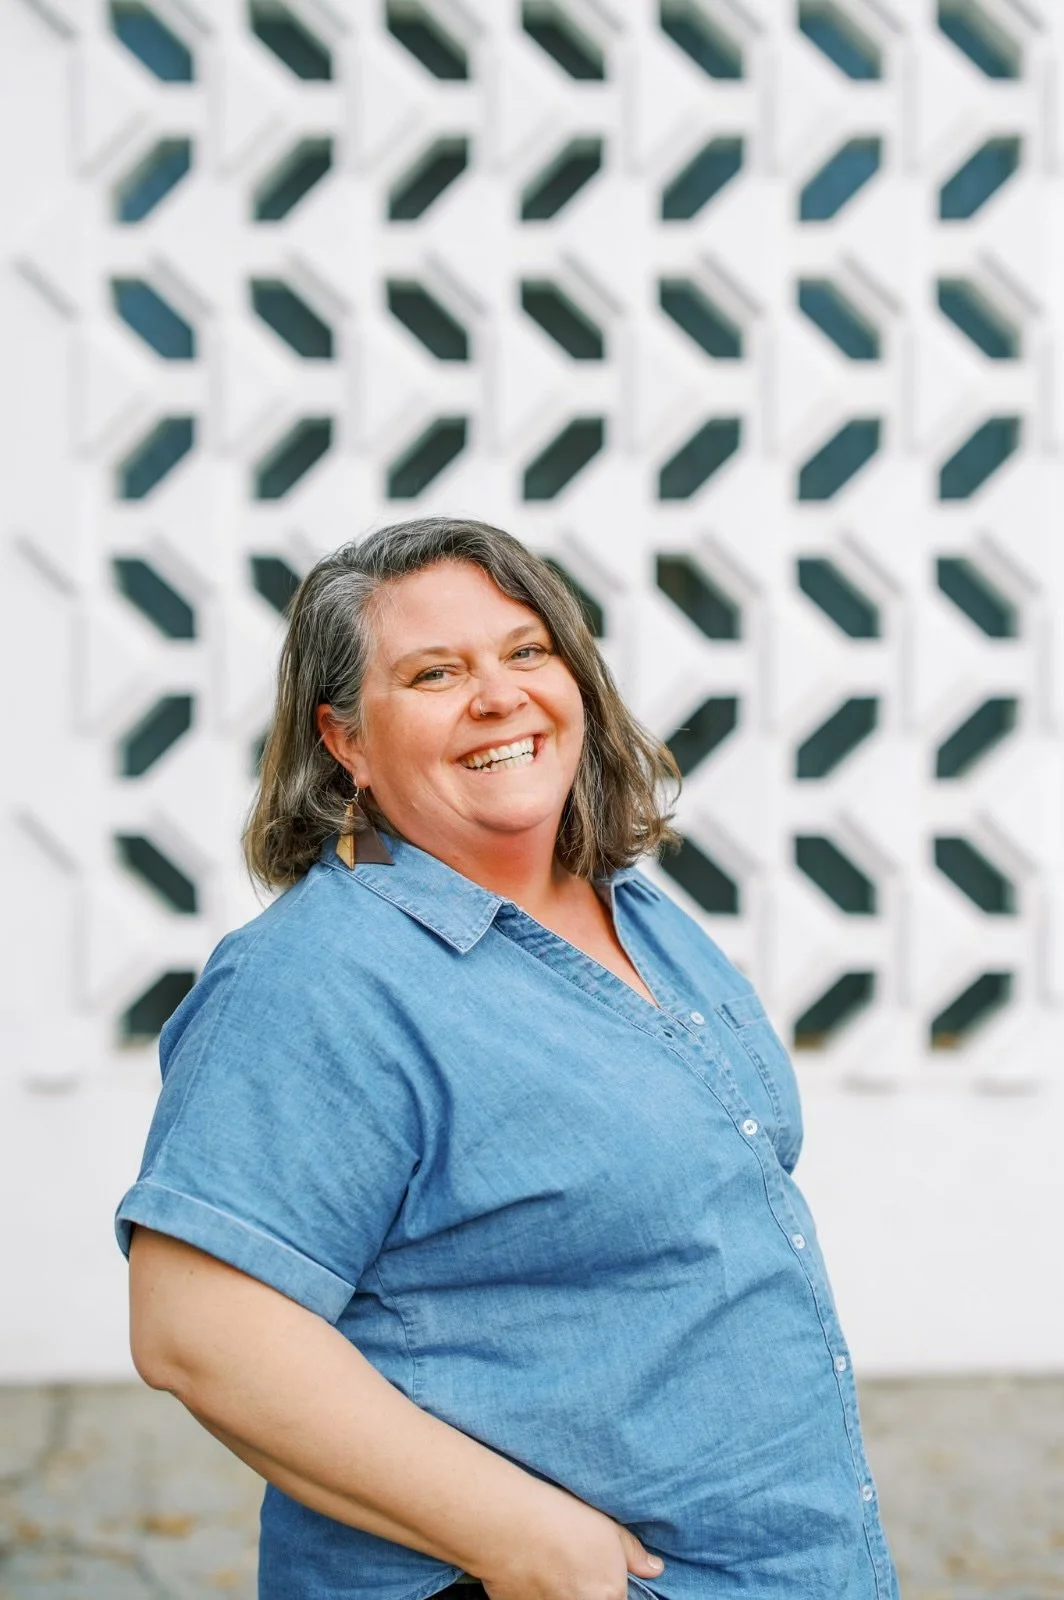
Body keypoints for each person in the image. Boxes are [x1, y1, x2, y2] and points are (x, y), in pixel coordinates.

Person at [115, 517, 899, 1600]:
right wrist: (522, 1537)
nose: (497, 695)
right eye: (434, 672)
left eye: (525, 652)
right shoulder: (317, 979)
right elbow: (196, 1329)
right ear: (342, 740)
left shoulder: (638, 909)